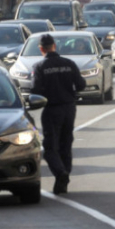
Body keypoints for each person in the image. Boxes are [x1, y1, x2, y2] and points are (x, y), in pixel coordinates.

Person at [31, 34, 86, 195]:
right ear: (54, 46)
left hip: (51, 109)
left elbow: (35, 91)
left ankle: (60, 173)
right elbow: (81, 84)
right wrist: (69, 91)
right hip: (69, 108)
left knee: (50, 147)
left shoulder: (40, 67)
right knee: (66, 143)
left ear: (41, 49)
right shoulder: (69, 64)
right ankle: (64, 177)